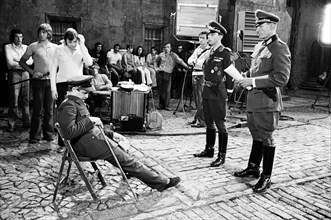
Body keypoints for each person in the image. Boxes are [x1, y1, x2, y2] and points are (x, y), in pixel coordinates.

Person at [57, 75, 180, 192]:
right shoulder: (69, 105)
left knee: (124, 149)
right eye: (84, 93)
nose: (86, 96)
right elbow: (69, 133)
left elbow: (88, 128)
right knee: (130, 161)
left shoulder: (76, 102)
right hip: (87, 145)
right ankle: (162, 182)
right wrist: (90, 120)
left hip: (92, 139)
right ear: (74, 89)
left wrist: (110, 134)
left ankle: (128, 170)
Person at [235, 10, 291, 193]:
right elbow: (256, 70)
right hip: (253, 100)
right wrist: (245, 76)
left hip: (267, 101)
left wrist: (252, 81)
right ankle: (253, 167)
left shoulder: (279, 47)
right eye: (257, 25)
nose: (256, 28)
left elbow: (281, 78)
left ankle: (266, 176)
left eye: (260, 25)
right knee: (256, 135)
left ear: (272, 26)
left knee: (266, 137)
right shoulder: (260, 46)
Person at [193, 21, 243, 167]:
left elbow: (230, 74)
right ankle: (209, 149)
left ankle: (222, 155)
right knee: (209, 122)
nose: (209, 36)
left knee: (220, 124)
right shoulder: (209, 52)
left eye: (212, 34)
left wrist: (229, 90)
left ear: (220, 36)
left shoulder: (224, 53)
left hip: (218, 91)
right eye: (208, 34)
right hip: (207, 90)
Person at [50, 28, 93, 149]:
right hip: (62, 84)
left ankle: (77, 143)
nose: (73, 45)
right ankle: (62, 143)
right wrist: (53, 88)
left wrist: (83, 45)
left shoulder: (80, 49)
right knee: (64, 115)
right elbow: (53, 68)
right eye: (70, 42)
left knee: (78, 113)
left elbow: (89, 62)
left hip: (77, 84)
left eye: (75, 42)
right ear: (65, 41)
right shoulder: (59, 50)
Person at [19, 23, 58, 144]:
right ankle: (35, 136)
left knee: (50, 110)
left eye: (44, 32)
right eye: (40, 32)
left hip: (50, 82)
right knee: (37, 110)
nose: (41, 34)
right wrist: (32, 72)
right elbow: (22, 62)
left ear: (49, 33)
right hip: (38, 82)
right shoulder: (33, 46)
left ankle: (49, 134)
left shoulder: (55, 47)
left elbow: (58, 65)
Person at [5, 28, 33, 132]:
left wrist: (18, 61)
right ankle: (12, 124)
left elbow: (31, 61)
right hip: (14, 74)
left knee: (26, 99)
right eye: (17, 36)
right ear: (13, 37)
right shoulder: (8, 47)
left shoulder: (26, 47)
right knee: (14, 100)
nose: (19, 39)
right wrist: (22, 63)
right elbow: (10, 63)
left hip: (26, 74)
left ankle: (26, 122)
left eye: (21, 36)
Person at [155, 43, 188, 111]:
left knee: (167, 91)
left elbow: (180, 61)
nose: (166, 48)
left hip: (168, 74)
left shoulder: (174, 55)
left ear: (170, 48)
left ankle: (167, 105)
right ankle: (161, 105)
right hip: (161, 73)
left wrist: (186, 66)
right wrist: (156, 68)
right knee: (161, 90)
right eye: (165, 47)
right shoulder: (161, 54)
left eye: (168, 47)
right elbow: (155, 61)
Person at [187, 31, 210, 128]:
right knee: (196, 99)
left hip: (201, 76)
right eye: (200, 37)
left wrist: (195, 61)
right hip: (195, 74)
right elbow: (189, 60)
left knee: (201, 99)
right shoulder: (198, 49)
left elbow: (202, 63)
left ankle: (202, 121)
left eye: (203, 38)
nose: (200, 40)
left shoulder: (209, 50)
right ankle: (197, 118)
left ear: (207, 39)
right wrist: (194, 61)